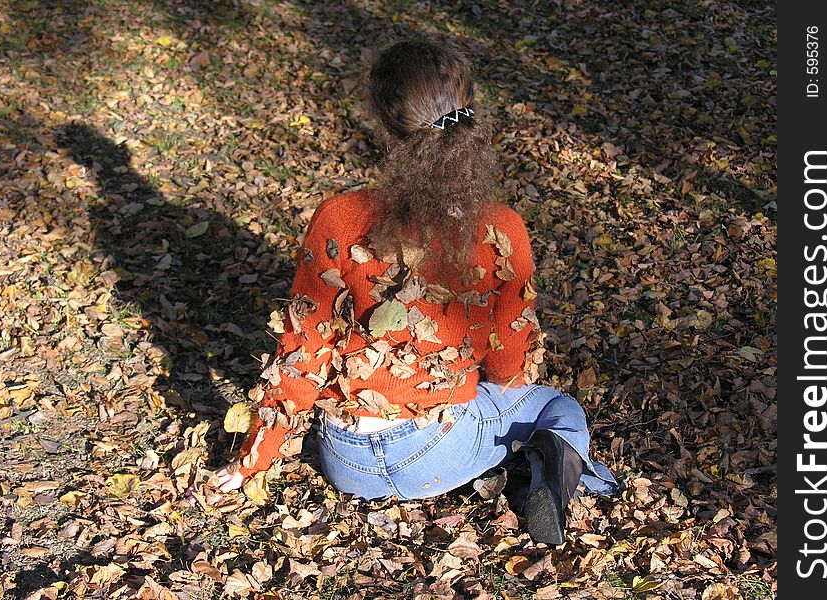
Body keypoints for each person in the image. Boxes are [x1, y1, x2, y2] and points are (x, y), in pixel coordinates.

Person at [216, 37, 618, 545]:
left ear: (385, 124)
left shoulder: (338, 216)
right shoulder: (499, 227)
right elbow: (511, 367)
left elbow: (304, 349)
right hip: (437, 451)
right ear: (472, 115)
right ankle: (539, 480)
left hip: (344, 458)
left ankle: (516, 470)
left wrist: (253, 461)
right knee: (558, 408)